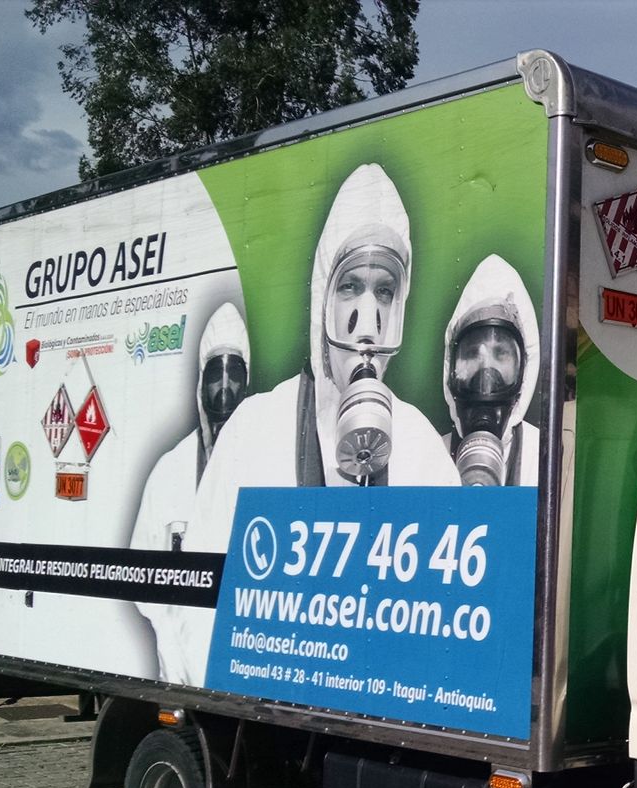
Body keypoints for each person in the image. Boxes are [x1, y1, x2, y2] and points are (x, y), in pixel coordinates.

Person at [161, 164, 458, 684]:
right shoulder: (254, 428)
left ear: (401, 306)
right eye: (350, 287)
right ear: (323, 295)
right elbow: (201, 594)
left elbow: (447, 612)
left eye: (384, 292)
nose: (366, 321)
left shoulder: (421, 446)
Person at [130, 302, 251, 681]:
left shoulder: (264, 460)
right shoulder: (171, 470)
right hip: (177, 664)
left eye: (235, 373)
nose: (225, 387)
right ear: (201, 380)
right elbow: (141, 569)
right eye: (216, 373)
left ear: (247, 381)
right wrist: (171, 636)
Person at [442, 254, 540, 487]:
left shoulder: (544, 458)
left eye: (501, 353)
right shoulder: (429, 455)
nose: (486, 370)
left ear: (524, 371)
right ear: (451, 368)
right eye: (472, 353)